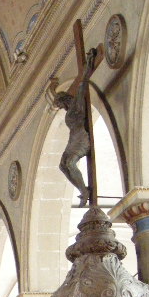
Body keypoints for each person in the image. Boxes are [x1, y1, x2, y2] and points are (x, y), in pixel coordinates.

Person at [54, 47, 100, 207]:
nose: (61, 108)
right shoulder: (69, 111)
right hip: (72, 139)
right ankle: (82, 189)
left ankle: (85, 192)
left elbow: (82, 84)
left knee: (70, 163)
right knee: (62, 166)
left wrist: (88, 65)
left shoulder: (77, 104)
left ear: (64, 100)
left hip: (80, 137)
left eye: (60, 104)